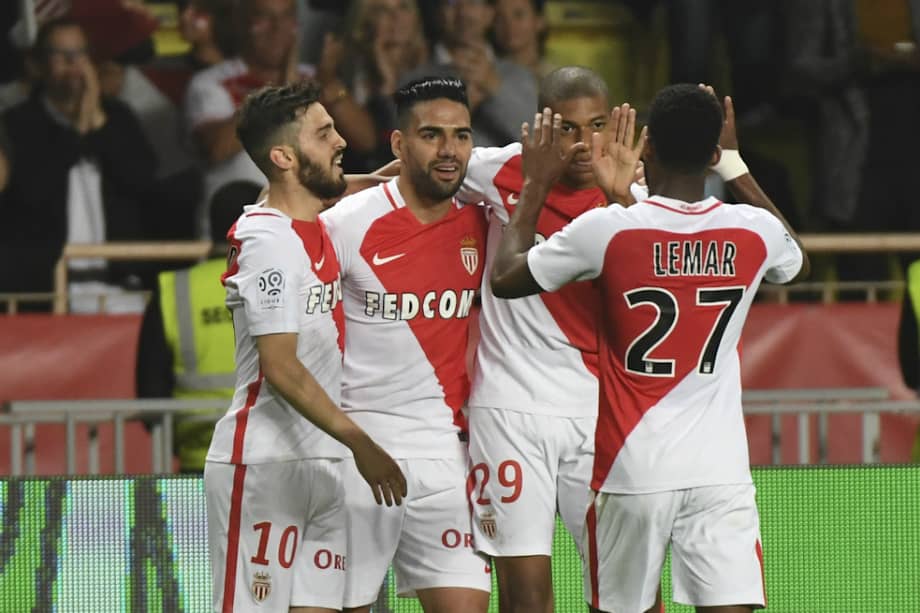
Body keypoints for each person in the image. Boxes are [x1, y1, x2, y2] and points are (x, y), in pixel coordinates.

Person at [490, 83, 809, 613]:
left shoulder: (607, 229)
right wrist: (736, 166)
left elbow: (505, 276)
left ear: (647, 146)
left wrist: (536, 183)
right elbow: (799, 263)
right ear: (712, 153)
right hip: (718, 471)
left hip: (631, 470)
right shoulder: (753, 231)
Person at [204, 81, 406, 613]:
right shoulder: (268, 242)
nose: (341, 139)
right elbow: (280, 366)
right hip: (264, 467)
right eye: (324, 133)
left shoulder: (315, 218)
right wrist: (360, 441)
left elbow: (368, 184)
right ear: (284, 156)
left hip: (324, 462)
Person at [456, 66, 645, 613]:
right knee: (525, 593)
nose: (584, 143)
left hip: (598, 412)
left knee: (621, 586)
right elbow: (410, 176)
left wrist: (623, 202)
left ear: (616, 127)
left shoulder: (639, 200)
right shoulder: (499, 171)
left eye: (597, 125)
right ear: (540, 128)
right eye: (567, 128)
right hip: (510, 410)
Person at [321, 76, 491, 613]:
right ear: (399, 145)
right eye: (431, 135)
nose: (449, 150)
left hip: (446, 457)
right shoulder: (345, 224)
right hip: (359, 458)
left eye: (461, 136)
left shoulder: (485, 221)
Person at [0, 17, 157, 310]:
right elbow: (31, 194)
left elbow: (142, 181)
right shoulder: (19, 124)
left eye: (80, 53)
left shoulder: (117, 117)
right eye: (62, 55)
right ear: (39, 64)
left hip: (120, 284)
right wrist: (77, 134)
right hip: (45, 290)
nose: (74, 64)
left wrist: (97, 122)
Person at [184, 0, 376, 237]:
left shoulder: (314, 79)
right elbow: (216, 149)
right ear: (242, 23)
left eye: (286, 17)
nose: (277, 28)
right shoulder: (212, 82)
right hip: (235, 227)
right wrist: (286, 88)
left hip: (312, 229)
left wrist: (329, 84)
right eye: (264, 17)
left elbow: (367, 140)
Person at [135, 181, 261, 473]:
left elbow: (150, 395)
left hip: (199, 463)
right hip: (274, 460)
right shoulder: (286, 281)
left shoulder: (173, 289)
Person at [405, 0, 537, 148]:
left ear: (489, 13)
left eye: (473, 2)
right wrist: (463, 107)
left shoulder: (518, 75)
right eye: (452, 3)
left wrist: (493, 87)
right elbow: (409, 147)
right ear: (439, 13)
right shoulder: (414, 80)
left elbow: (532, 140)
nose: (464, 12)